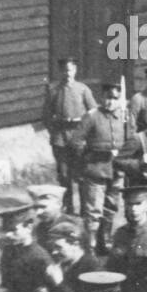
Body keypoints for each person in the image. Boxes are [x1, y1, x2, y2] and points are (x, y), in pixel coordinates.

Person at [73, 81, 133, 256]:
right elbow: (76, 141)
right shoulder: (92, 116)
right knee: (93, 210)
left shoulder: (125, 116)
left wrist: (125, 156)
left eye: (115, 98)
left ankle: (104, 239)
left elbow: (132, 140)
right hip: (96, 169)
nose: (111, 102)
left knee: (111, 206)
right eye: (108, 97)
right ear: (102, 97)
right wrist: (90, 155)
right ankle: (90, 244)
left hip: (117, 170)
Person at [41, 57, 95, 214]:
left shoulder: (83, 89)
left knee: (81, 175)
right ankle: (68, 208)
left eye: (70, 70)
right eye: (64, 70)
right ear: (60, 72)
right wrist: (54, 131)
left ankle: (85, 209)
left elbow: (93, 113)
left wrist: (85, 133)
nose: (67, 73)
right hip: (60, 137)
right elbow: (46, 116)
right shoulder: (53, 91)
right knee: (64, 175)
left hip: (79, 136)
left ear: (75, 70)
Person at [0, 204, 52, 292]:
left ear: (29, 227)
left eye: (13, 230)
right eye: (6, 231)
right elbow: (5, 284)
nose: (8, 235)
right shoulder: (8, 251)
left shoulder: (39, 257)